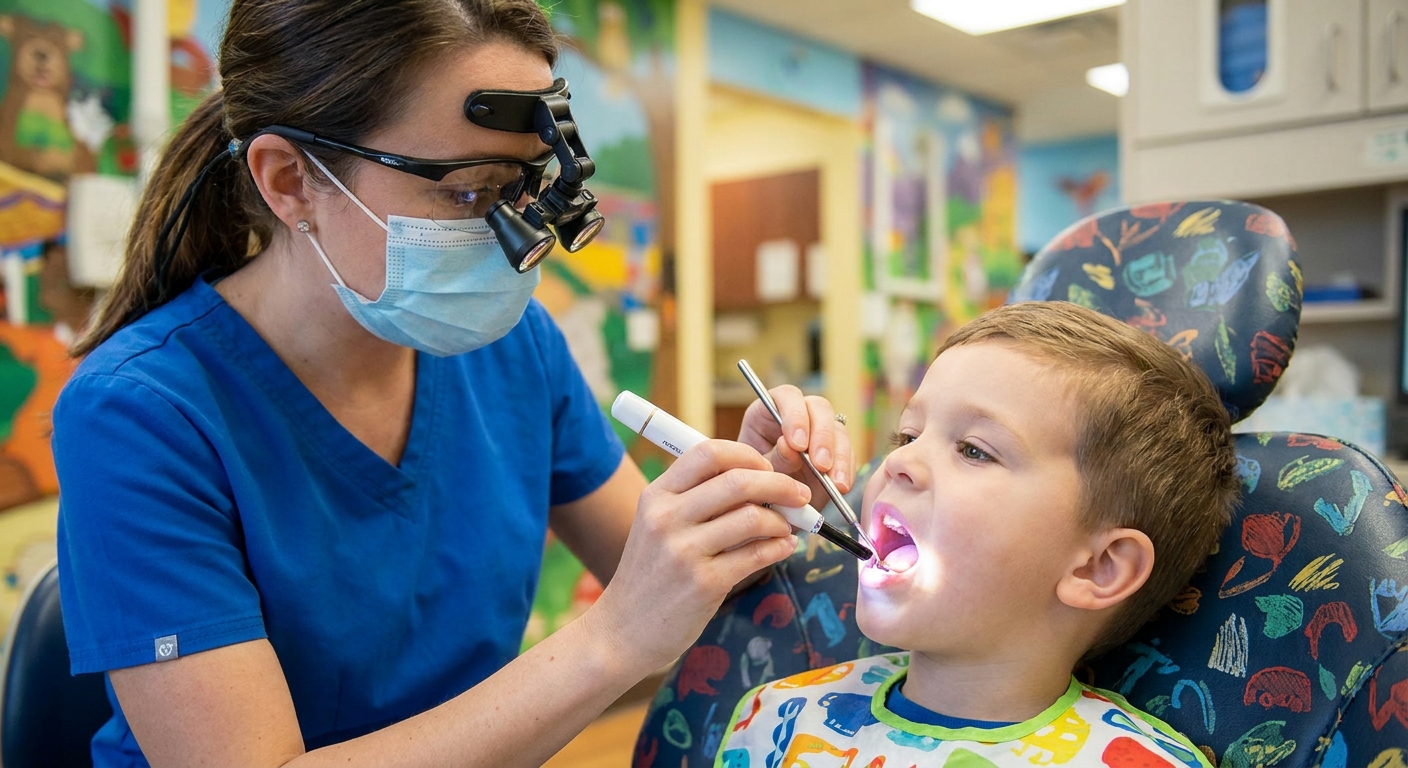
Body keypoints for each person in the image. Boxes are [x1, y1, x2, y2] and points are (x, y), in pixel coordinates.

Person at [51, 2, 855, 766]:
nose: (510, 239)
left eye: (525, 190)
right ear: (290, 181)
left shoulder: (516, 348)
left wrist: (753, 504)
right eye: (468, 193)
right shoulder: (139, 415)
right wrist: (613, 639)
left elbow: (682, 583)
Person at [716, 301, 1239, 767]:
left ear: (1098, 568)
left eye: (973, 449)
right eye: (909, 434)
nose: (899, 461)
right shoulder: (776, 724)